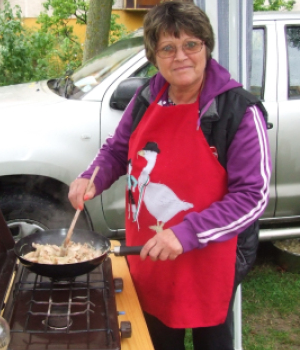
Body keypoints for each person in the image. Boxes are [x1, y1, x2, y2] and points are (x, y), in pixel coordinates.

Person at [68, 2, 271, 349]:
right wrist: (92, 177)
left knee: (213, 340)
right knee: (158, 337)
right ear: (154, 56)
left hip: (211, 257)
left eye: (191, 44)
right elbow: (119, 149)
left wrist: (186, 232)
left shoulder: (237, 110)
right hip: (151, 251)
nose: (181, 56)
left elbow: (252, 197)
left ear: (206, 46)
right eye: (167, 48)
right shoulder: (149, 95)